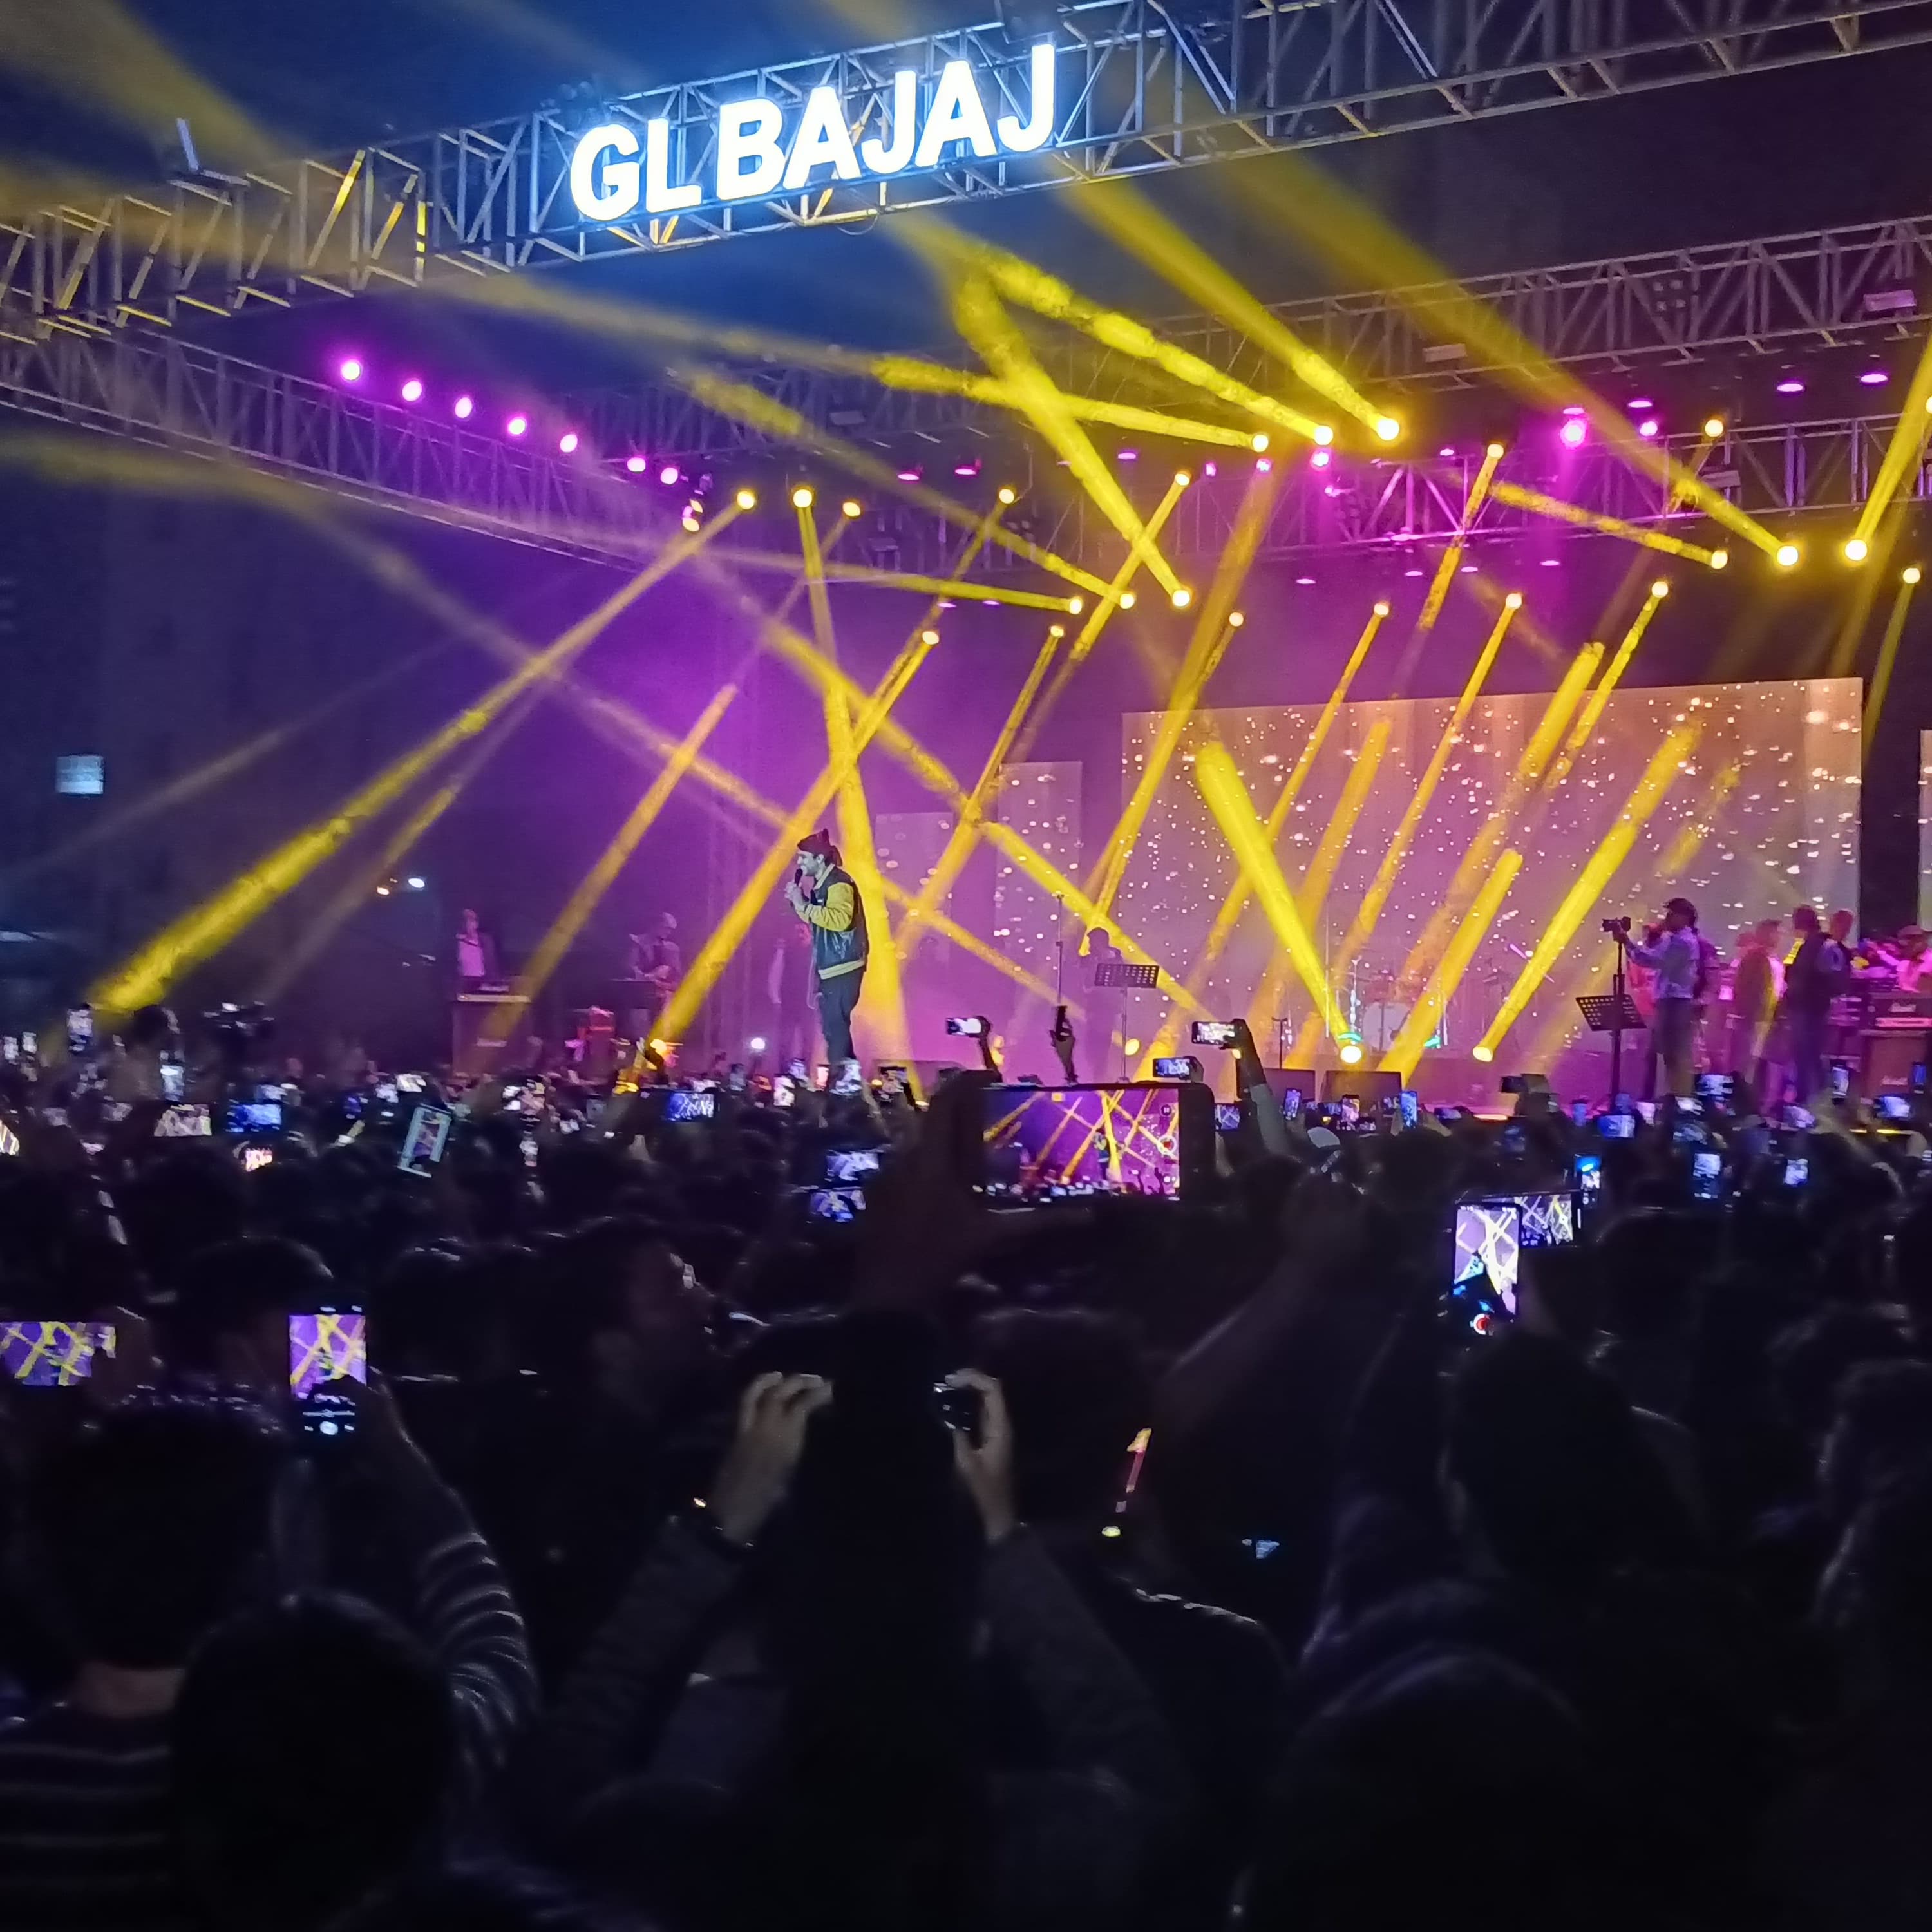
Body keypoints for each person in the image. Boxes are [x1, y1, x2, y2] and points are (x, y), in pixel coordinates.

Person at [785, 829, 867, 1079]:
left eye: (804, 857)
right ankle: (846, 1081)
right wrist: (799, 902)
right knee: (834, 1029)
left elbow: (840, 920)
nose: (799, 862)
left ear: (819, 859)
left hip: (843, 965)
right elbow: (817, 921)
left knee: (835, 1028)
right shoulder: (822, 884)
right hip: (832, 966)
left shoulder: (839, 883)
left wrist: (803, 905)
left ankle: (844, 1082)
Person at [1615, 898, 1703, 1098]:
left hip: (1676, 1004)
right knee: (1668, 1055)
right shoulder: (1673, 939)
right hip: (1670, 1002)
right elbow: (1649, 955)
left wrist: (1626, 942)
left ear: (1685, 917)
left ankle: (1677, 1099)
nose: (1667, 918)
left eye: (1672, 914)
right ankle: (1671, 1098)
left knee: (1674, 1055)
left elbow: (1651, 960)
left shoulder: (1683, 941)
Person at [1781, 904, 1846, 1102]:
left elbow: (1800, 977)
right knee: (1812, 1054)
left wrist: (1792, 994)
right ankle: (1816, 1097)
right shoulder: (1824, 945)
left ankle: (1808, 1098)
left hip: (1806, 1008)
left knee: (1805, 1055)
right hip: (1815, 1006)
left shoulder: (1811, 946)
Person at [1730, 919, 1783, 1104]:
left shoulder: (1773, 960)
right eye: (1776, 933)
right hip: (1755, 1018)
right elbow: (1742, 988)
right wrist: (1748, 1013)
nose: (1779, 937)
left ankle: (1755, 1101)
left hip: (1768, 1019)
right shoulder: (1754, 958)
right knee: (1748, 1062)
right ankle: (1744, 1102)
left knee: (1759, 1062)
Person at [623, 913, 682, 1042]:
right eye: (666, 928)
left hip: (662, 993)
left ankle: (662, 1041)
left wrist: (664, 983)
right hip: (640, 992)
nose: (668, 932)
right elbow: (630, 969)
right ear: (656, 925)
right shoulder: (637, 943)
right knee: (640, 1031)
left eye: (671, 930)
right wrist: (648, 978)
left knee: (666, 1006)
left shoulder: (671, 949)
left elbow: (676, 976)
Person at [1079, 928, 1126, 1081]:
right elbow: (1078, 969)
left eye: (1092, 942)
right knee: (1090, 1046)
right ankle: (1095, 1077)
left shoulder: (1114, 958)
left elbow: (1119, 983)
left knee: (1101, 1046)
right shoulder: (1091, 959)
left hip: (1106, 1009)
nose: (1090, 946)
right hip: (1094, 1008)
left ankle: (1100, 1078)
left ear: (1100, 942)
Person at [455, 909, 498, 989]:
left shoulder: (485, 941)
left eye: (471, 921)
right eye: (465, 921)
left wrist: (490, 982)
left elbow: (491, 963)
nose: (468, 924)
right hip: (462, 984)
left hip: (482, 983)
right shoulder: (455, 942)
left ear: (476, 924)